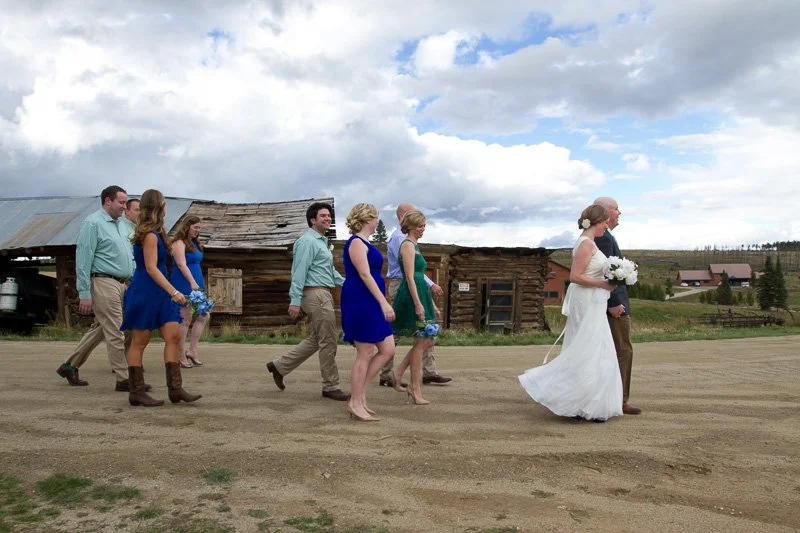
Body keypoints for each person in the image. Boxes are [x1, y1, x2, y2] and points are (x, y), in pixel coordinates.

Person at [518, 204, 622, 422]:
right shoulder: (585, 243)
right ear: (597, 221)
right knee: (587, 347)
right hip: (585, 302)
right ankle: (576, 400)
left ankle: (586, 402)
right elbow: (575, 276)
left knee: (594, 348)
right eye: (605, 222)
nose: (606, 226)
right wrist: (604, 284)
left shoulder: (589, 242)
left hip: (593, 301)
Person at [120, 189, 201, 407]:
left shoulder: (159, 232)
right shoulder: (149, 235)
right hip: (146, 291)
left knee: (173, 336)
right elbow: (150, 268)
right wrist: (174, 292)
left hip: (162, 292)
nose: (166, 206)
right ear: (158, 206)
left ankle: (175, 389)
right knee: (140, 341)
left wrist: (170, 292)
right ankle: (136, 391)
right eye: (164, 202)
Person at [56, 185, 140, 391]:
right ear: (107, 201)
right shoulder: (92, 224)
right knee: (116, 330)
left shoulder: (122, 225)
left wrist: (130, 281)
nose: (124, 206)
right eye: (121, 202)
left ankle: (69, 365)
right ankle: (123, 379)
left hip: (122, 284)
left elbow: (128, 255)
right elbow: (83, 259)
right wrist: (84, 293)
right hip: (103, 282)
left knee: (101, 328)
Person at [265, 202, 350, 401]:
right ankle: (330, 386)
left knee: (317, 338)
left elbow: (330, 273)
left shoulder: (321, 242)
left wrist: (349, 285)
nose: (328, 219)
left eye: (329, 216)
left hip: (323, 292)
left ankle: (279, 366)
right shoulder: (307, 241)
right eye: (323, 216)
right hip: (315, 294)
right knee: (328, 340)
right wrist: (294, 301)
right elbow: (299, 272)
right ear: (313, 220)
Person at [378, 203, 451, 388]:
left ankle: (428, 371)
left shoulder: (412, 242)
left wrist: (428, 288)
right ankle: (387, 373)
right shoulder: (400, 240)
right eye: (415, 217)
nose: (422, 226)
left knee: (426, 331)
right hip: (401, 285)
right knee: (397, 329)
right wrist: (429, 284)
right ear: (404, 217)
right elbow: (408, 274)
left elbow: (416, 272)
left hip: (414, 286)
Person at [340, 203, 396, 421]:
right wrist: (383, 303)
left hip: (372, 302)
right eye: (375, 218)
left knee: (388, 348)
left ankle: (360, 396)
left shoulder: (365, 243)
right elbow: (364, 275)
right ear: (366, 219)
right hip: (361, 301)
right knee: (365, 353)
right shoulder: (355, 243)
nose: (377, 222)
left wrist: (381, 302)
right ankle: (355, 402)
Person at [594, 196, 642, 415]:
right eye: (616, 209)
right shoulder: (603, 237)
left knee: (620, 350)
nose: (619, 213)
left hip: (615, 303)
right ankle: (620, 400)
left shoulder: (607, 235)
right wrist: (613, 303)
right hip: (615, 306)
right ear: (605, 212)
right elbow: (605, 270)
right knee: (623, 350)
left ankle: (614, 398)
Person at [390, 210, 439, 405]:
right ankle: (415, 388)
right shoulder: (407, 246)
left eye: (424, 226)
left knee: (428, 340)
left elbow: (419, 277)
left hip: (421, 293)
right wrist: (418, 303)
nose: (423, 230)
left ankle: (399, 371)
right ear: (410, 226)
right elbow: (409, 277)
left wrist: (432, 304)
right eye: (420, 226)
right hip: (412, 295)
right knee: (422, 341)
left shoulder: (415, 246)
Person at [170, 216, 210, 368]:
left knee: (204, 315)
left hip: (196, 283)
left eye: (199, 228)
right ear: (187, 226)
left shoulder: (194, 243)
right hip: (184, 283)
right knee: (185, 319)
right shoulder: (178, 242)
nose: (198, 231)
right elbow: (181, 264)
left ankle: (192, 351)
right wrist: (192, 282)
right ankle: (181, 355)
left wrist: (198, 283)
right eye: (195, 227)